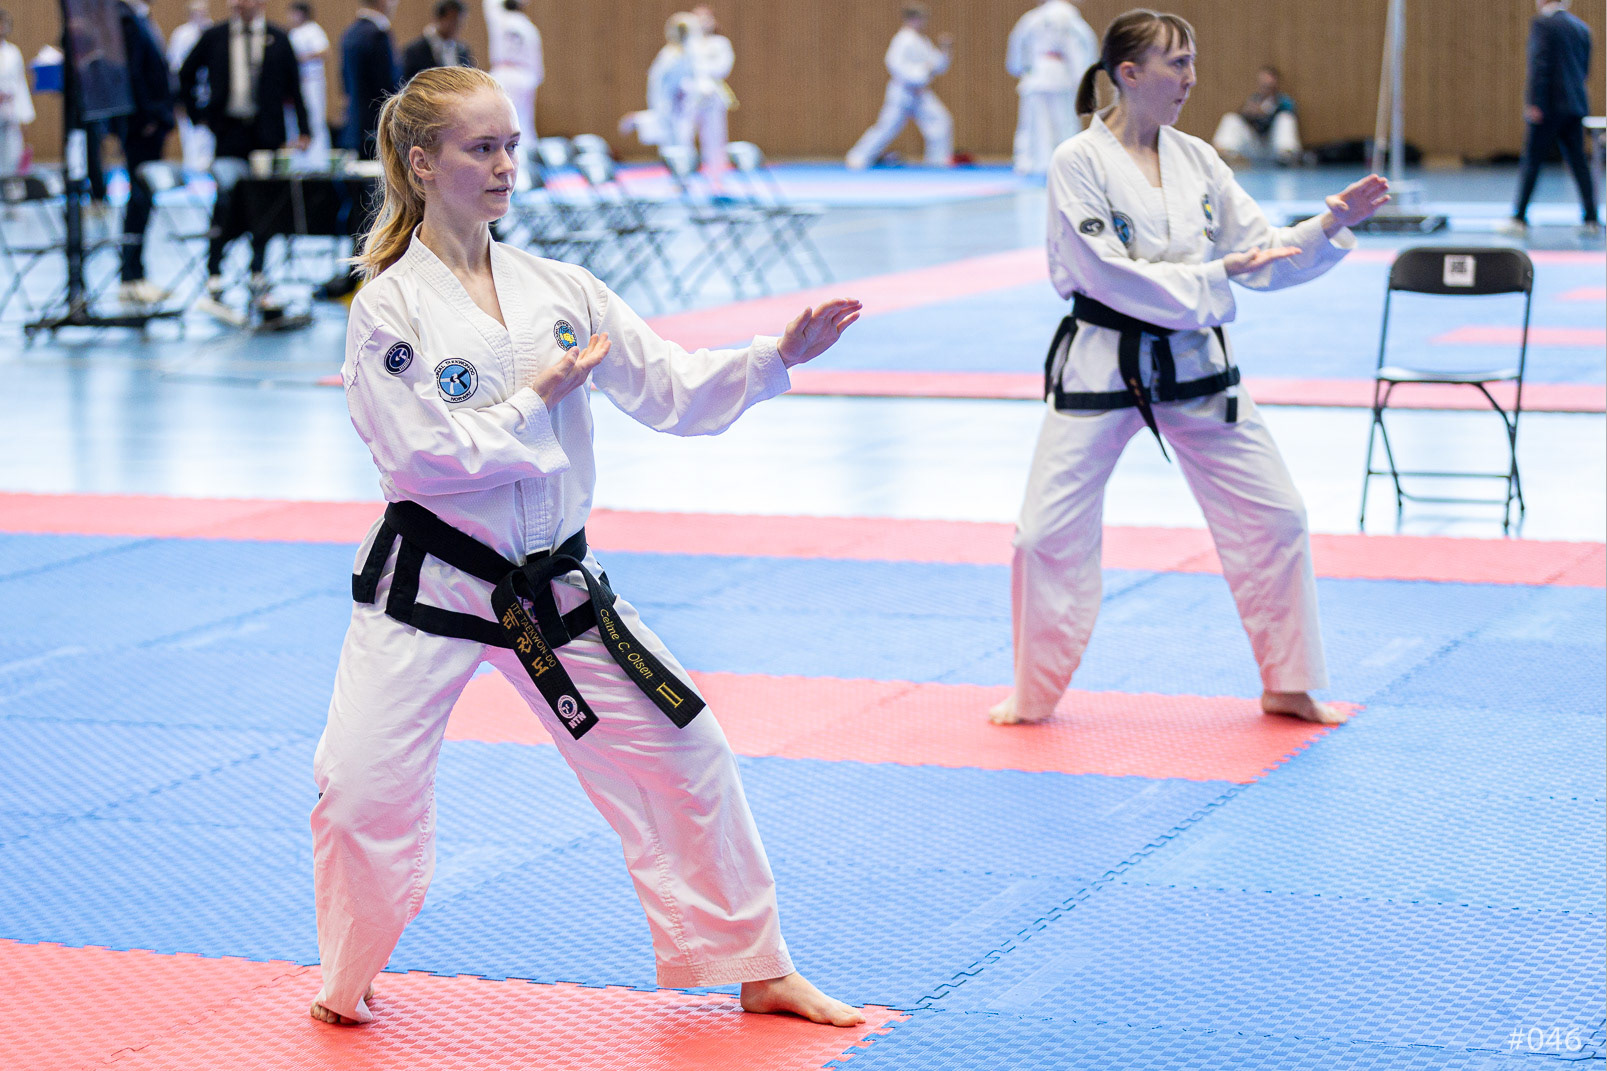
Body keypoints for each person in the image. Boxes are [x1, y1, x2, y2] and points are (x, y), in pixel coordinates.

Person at [307, 63, 867, 1030]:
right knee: (358, 792)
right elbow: (422, 456)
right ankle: (345, 976)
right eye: (482, 148)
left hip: (551, 587)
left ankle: (756, 963)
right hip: (432, 585)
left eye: (511, 146)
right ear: (423, 162)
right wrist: (537, 399)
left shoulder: (559, 289)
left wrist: (775, 357)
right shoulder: (387, 308)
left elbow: (671, 389)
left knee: (687, 749)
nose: (504, 167)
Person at [989, 9, 1389, 730]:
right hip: (1103, 366)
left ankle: (1290, 683)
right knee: (1041, 537)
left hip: (1196, 365)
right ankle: (1033, 692)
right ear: (1128, 73)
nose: (1191, 78)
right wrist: (1215, 275)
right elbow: (1104, 273)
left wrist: (1327, 225)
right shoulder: (1077, 161)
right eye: (1177, 63)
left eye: (1193, 62)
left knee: (1277, 515)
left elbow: (1261, 254)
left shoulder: (1198, 159)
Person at [178, 0, 310, 322]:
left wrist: (304, 129)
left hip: (267, 136)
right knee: (226, 199)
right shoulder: (215, 36)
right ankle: (215, 271)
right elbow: (184, 74)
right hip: (228, 134)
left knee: (264, 204)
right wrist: (200, 115)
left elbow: (295, 86)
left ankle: (258, 272)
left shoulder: (278, 38)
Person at [1508, 0, 1598, 233]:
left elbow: (1540, 64)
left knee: (1532, 161)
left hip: (1548, 106)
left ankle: (1519, 218)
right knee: (1579, 162)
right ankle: (1591, 219)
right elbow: (1584, 69)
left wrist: (1535, 102)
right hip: (1575, 104)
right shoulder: (1581, 28)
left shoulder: (1543, 24)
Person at [113, 0, 176, 307]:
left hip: (151, 124)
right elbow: (132, 72)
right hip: (141, 126)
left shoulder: (140, 17)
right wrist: (149, 117)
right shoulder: (125, 19)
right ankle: (130, 276)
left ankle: (136, 272)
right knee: (138, 199)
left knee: (144, 199)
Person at [846, 3, 952, 170]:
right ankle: (857, 157)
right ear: (912, 19)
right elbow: (893, 64)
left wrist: (945, 51)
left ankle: (937, 161)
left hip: (920, 93)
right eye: (921, 18)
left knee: (940, 120)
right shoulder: (902, 39)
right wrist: (920, 73)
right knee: (887, 126)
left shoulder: (922, 40)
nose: (924, 22)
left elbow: (936, 65)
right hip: (903, 91)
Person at [1007, 0, 1097, 176]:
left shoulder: (1032, 18)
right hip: (1061, 75)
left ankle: (1028, 163)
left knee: (1033, 123)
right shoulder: (1070, 17)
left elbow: (1018, 42)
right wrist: (1082, 77)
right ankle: (1067, 164)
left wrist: (1020, 67)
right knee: (1064, 123)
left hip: (1036, 75)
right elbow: (1082, 45)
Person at [340, 0, 398, 160]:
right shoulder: (377, 35)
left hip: (355, 125)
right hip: (376, 126)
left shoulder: (349, 33)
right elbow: (387, 88)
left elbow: (345, 83)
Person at [1211, 65, 1300, 166]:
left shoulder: (1283, 101)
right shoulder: (1254, 100)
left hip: (1274, 147)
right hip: (1254, 146)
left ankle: (1287, 156)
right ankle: (1225, 153)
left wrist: (1269, 113)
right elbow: (1241, 120)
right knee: (1230, 118)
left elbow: (1291, 113)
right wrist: (1249, 113)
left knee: (1285, 118)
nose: (1266, 84)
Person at [166, 0, 215, 174]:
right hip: (189, 90)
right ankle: (192, 167)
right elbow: (175, 66)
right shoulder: (182, 34)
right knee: (189, 131)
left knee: (209, 131)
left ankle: (209, 165)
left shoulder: (212, 31)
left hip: (209, 90)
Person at [483, 0, 542, 143]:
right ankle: (527, 151)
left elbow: (490, 3)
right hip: (524, 75)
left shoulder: (499, 18)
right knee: (525, 123)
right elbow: (536, 62)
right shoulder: (528, 26)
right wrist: (533, 80)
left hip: (503, 73)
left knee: (501, 119)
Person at [287, 2, 331, 166]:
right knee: (296, 122)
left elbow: (325, 51)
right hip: (298, 84)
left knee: (315, 120)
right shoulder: (294, 32)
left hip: (312, 83)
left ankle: (318, 160)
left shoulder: (313, 30)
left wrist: (302, 58)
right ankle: (301, 161)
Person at [400, 0, 476, 84]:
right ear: (438, 19)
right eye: (453, 21)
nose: (457, 27)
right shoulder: (414, 51)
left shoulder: (463, 50)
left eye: (461, 23)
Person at [0, 9, 34, 177]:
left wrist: (24, 117)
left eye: (4, 23)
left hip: (10, 111)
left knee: (12, 157)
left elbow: (21, 86)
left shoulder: (13, 52)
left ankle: (10, 185)